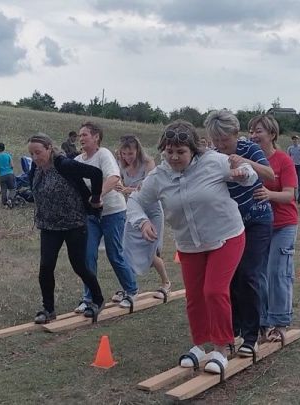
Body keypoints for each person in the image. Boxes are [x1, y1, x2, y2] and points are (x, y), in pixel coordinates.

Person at [127, 119, 257, 375]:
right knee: (195, 297)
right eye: (169, 151)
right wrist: (142, 223)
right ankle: (199, 345)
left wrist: (243, 172)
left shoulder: (213, 162)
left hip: (226, 237)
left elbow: (247, 175)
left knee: (214, 291)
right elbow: (135, 201)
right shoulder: (159, 176)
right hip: (189, 244)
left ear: (193, 150)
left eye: (181, 152)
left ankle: (221, 348)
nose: (174, 157)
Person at [205, 109, 274, 357]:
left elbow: (270, 175)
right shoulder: (212, 155)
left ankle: (252, 335)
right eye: (217, 140)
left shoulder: (249, 149)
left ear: (236, 134)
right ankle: (233, 329)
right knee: (230, 278)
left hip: (257, 221)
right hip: (229, 225)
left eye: (225, 140)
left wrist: (244, 162)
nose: (221, 145)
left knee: (249, 274)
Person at [26, 133, 106, 323]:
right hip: (49, 225)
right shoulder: (35, 169)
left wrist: (94, 199)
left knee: (79, 265)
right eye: (32, 154)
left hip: (74, 224)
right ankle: (48, 309)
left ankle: (98, 300)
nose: (35, 157)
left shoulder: (63, 164)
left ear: (49, 149)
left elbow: (96, 174)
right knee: (45, 267)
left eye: (38, 152)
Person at [74, 121, 138, 311]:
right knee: (87, 255)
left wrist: (97, 196)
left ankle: (131, 290)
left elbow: (113, 178)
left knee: (114, 253)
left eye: (85, 135)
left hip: (113, 212)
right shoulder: (78, 160)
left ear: (96, 137)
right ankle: (89, 298)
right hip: (91, 215)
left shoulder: (104, 155)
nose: (81, 138)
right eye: (80, 135)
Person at [249, 114, 298, 343]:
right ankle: (261, 322)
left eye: (258, 131)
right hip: (259, 225)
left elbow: (290, 194)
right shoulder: (250, 159)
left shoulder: (282, 160)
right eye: (251, 131)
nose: (253, 135)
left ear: (271, 134)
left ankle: (280, 323)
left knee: (278, 272)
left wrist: (269, 195)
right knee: (258, 274)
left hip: (283, 224)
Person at [116, 135, 171, 299]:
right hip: (133, 210)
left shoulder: (148, 163)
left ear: (137, 151)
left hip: (152, 211)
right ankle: (129, 286)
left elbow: (150, 189)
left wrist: (127, 189)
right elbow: (119, 183)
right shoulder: (122, 165)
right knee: (126, 248)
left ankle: (166, 283)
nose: (127, 157)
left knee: (151, 250)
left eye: (130, 153)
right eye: (124, 154)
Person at [0, 143, 15, 207]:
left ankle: (4, 203)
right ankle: (10, 199)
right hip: (10, 174)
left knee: (3, 189)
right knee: (12, 189)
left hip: (2, 176)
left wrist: (0, 167)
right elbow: (12, 165)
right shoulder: (8, 155)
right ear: (4, 148)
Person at [286, 135, 300, 203]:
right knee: (293, 183)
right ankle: (294, 198)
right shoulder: (290, 148)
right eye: (293, 139)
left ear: (298, 139)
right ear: (292, 140)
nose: (295, 140)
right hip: (293, 166)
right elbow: (288, 159)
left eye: (296, 139)